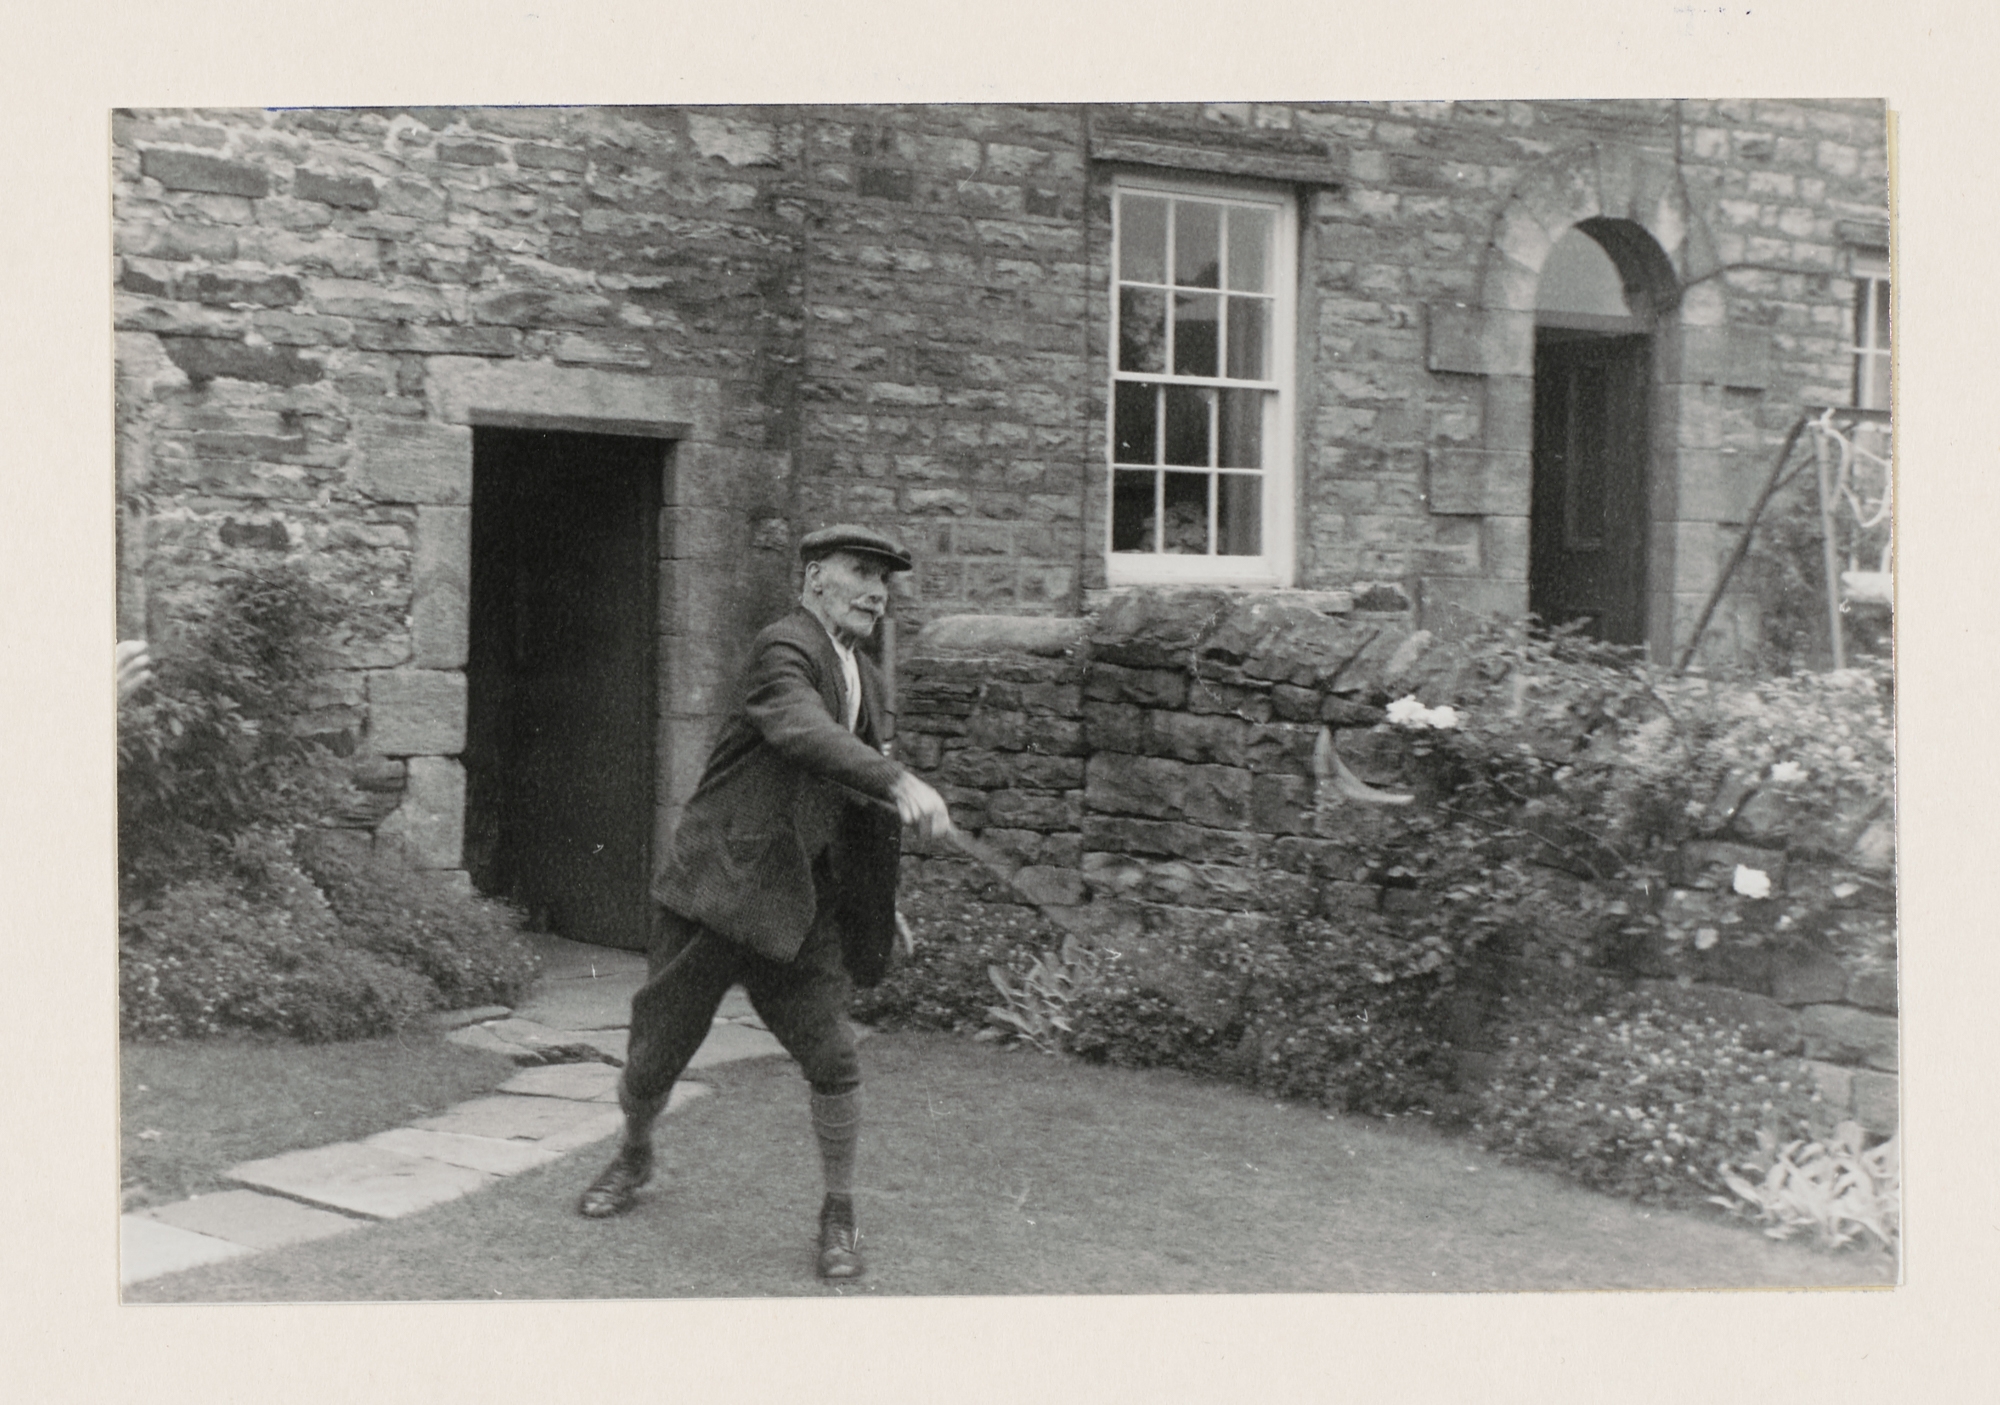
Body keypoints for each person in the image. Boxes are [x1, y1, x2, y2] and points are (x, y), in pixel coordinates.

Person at [575, 524, 953, 1283]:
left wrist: (875, 902)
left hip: (800, 909)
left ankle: (839, 1211)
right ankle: (635, 1153)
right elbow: (802, 731)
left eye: (884, 579)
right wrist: (897, 779)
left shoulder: (867, 680)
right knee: (653, 1060)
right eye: (860, 572)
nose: (876, 591)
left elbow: (851, 805)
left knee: (834, 1058)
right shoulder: (783, 648)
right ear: (814, 578)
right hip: (717, 893)